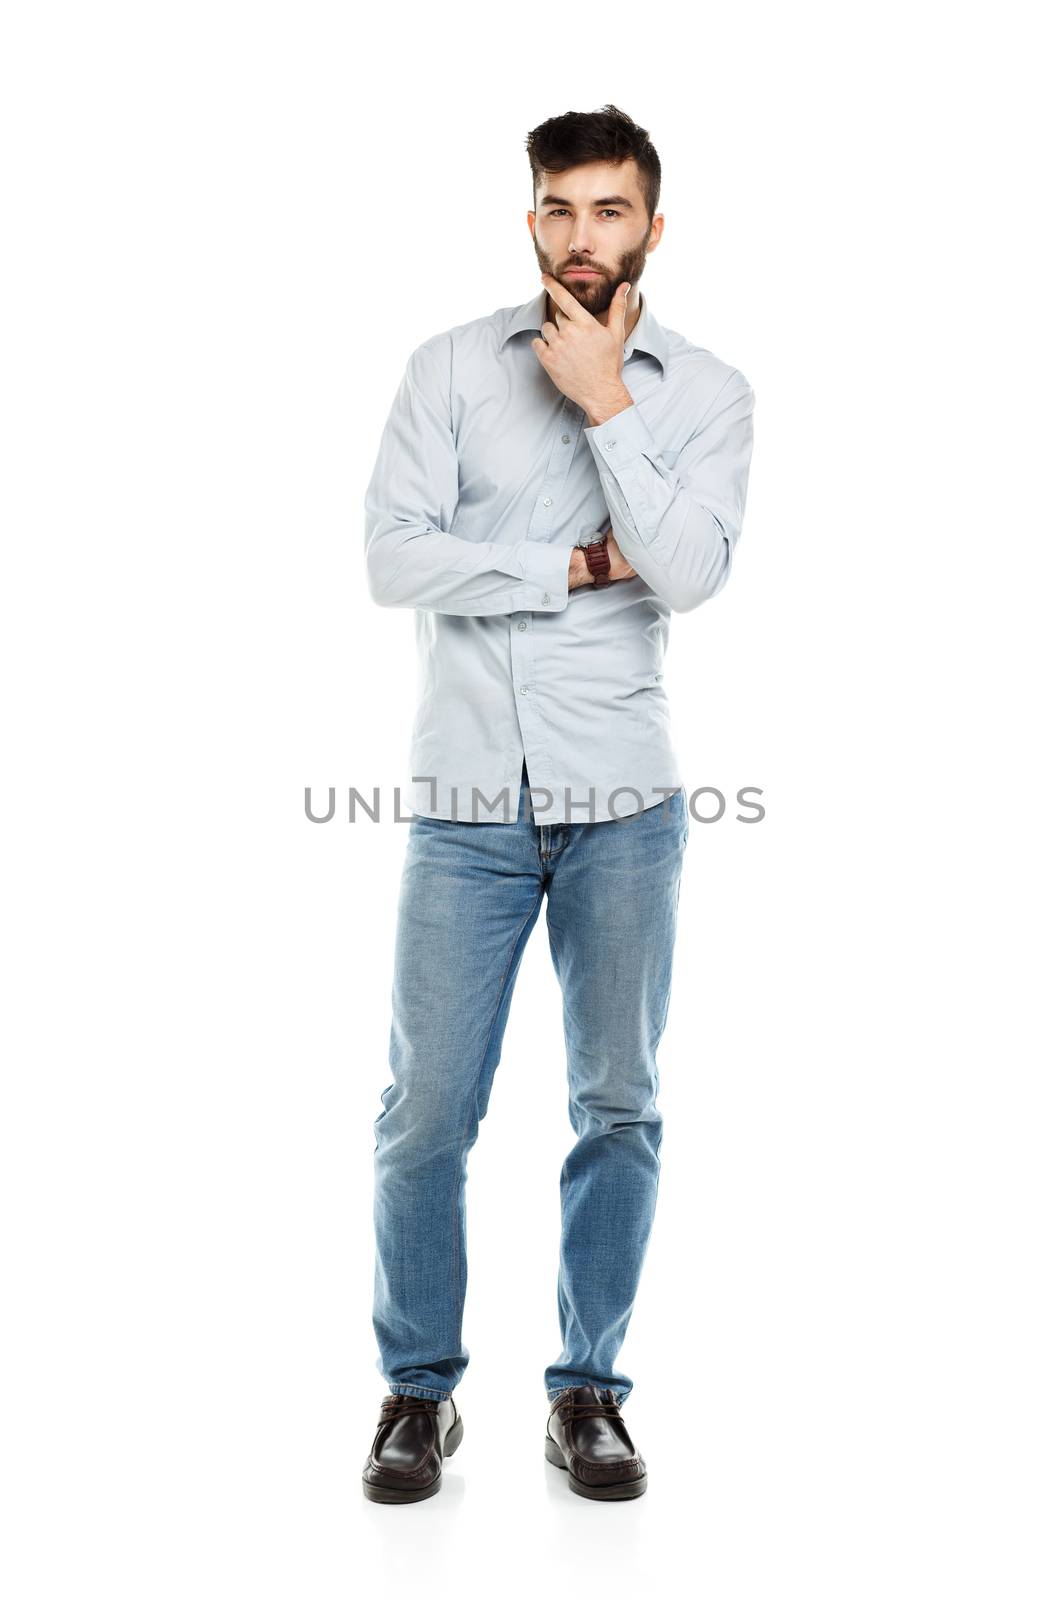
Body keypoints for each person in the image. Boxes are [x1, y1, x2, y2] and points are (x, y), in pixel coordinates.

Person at [360, 104, 755, 1504]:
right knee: (424, 1116)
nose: (581, 237)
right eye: (557, 208)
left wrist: (607, 406)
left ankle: (588, 1390)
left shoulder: (704, 393)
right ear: (528, 218)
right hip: (462, 801)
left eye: (608, 211)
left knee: (618, 1105)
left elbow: (689, 569)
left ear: (653, 225)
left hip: (624, 806)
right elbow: (394, 562)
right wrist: (567, 569)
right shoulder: (448, 369)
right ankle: (417, 1396)